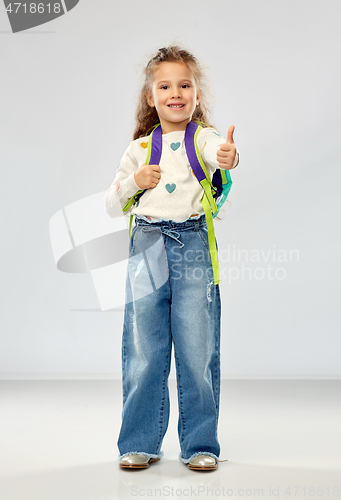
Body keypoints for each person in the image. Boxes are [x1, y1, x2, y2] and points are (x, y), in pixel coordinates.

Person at [103, 45, 239, 471]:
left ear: (197, 95)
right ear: (151, 97)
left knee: (197, 347)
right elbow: (110, 204)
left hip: (192, 243)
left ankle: (200, 444)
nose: (175, 93)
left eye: (185, 85)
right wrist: (133, 182)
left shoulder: (203, 138)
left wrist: (229, 156)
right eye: (165, 86)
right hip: (146, 244)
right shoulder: (139, 149)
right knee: (144, 346)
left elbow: (221, 152)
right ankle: (140, 442)